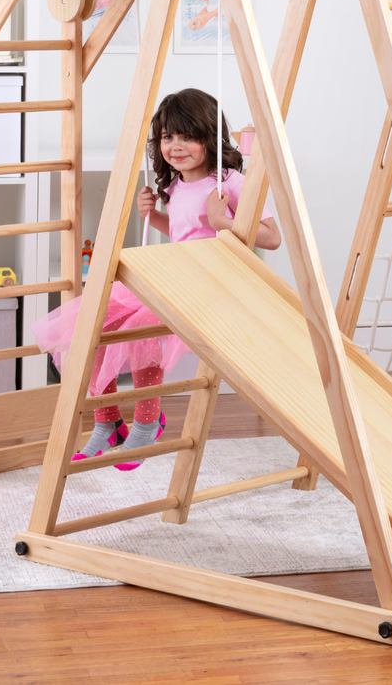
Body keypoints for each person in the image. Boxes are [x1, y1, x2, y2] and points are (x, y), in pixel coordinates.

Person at [34, 88, 280, 469]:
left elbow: (271, 237)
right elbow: (185, 234)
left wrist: (223, 222)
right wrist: (152, 215)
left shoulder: (229, 182)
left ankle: (148, 423)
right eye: (168, 137)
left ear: (210, 137)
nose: (176, 146)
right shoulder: (176, 184)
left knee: (142, 331)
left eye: (187, 136)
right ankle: (107, 422)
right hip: (174, 275)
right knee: (94, 321)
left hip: (210, 286)